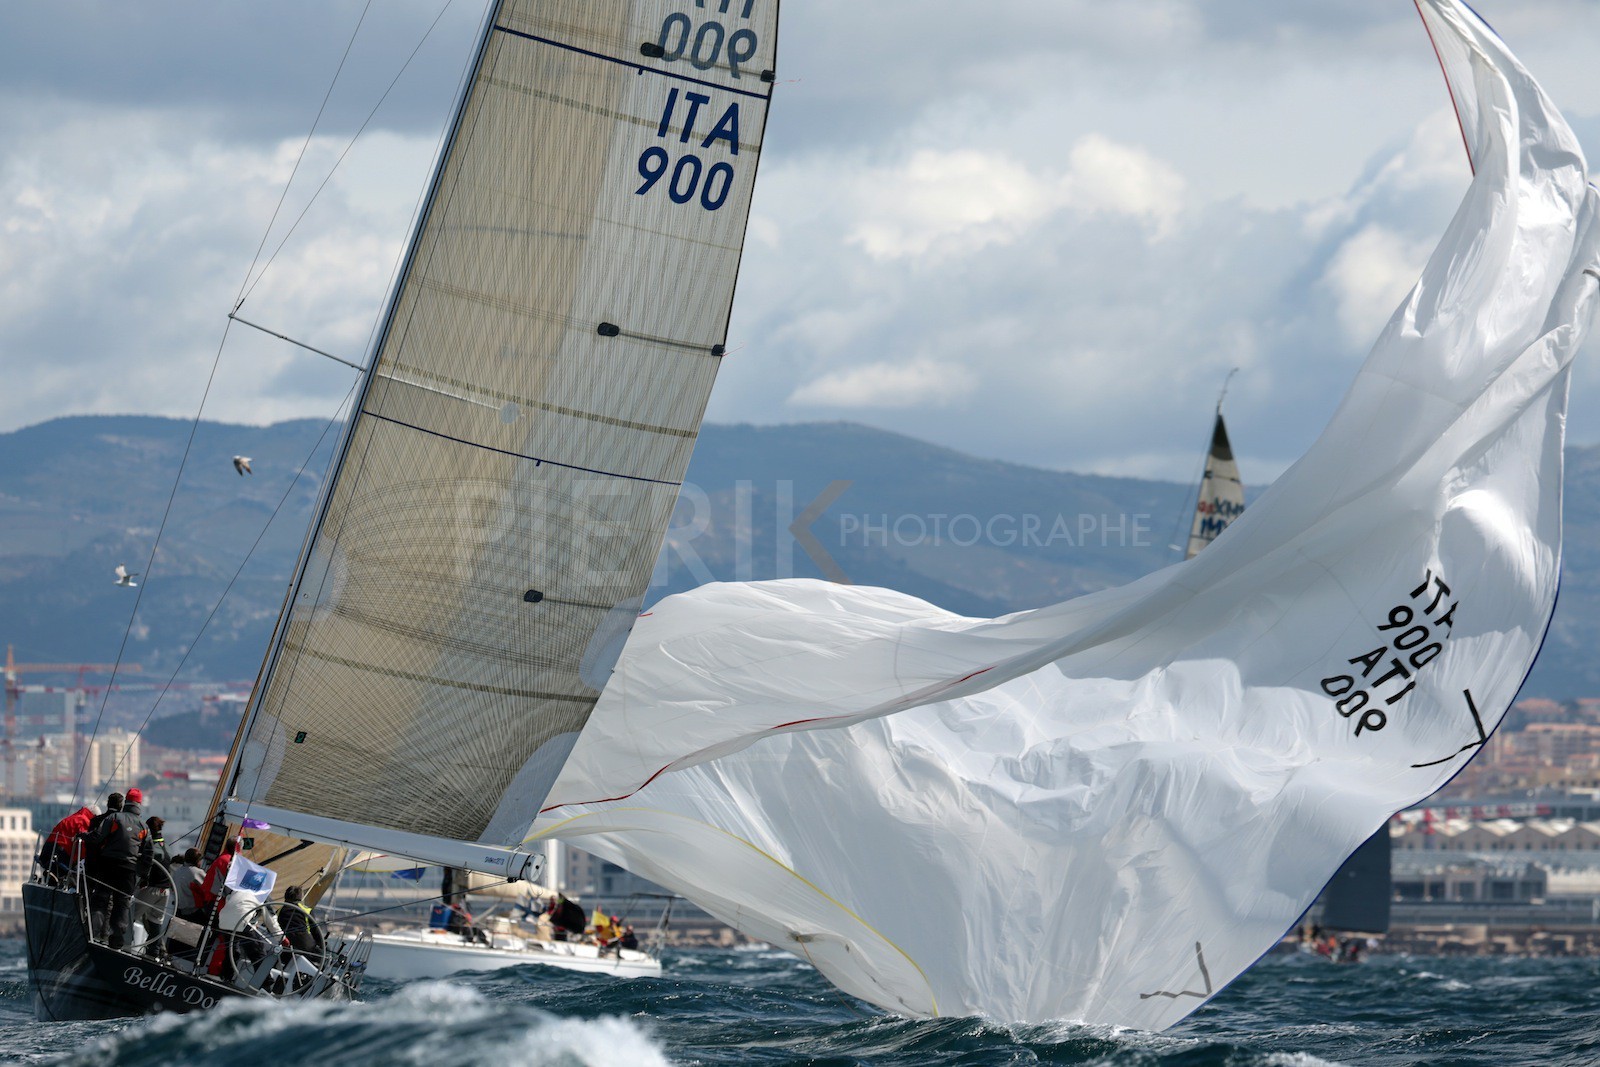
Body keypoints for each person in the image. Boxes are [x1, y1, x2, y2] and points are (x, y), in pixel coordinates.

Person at [85, 791, 148, 949]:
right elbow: (148, 852)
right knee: (122, 904)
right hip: (129, 871)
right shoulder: (143, 826)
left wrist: (82, 836)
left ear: (126, 802)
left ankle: (92, 934)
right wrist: (144, 875)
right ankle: (117, 940)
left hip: (108, 866)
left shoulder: (113, 818)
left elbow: (97, 836)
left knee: (100, 900)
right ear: (139, 804)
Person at [132, 814, 172, 945]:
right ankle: (154, 951)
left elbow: (146, 864)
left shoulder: (152, 847)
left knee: (131, 914)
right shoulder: (167, 847)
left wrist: (143, 879)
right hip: (166, 891)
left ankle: (123, 944)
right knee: (156, 921)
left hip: (152, 888)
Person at [36, 806, 93, 886]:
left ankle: (50, 878)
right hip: (63, 850)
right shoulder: (86, 821)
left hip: (49, 846)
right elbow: (83, 842)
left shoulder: (73, 817)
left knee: (53, 873)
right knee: (68, 873)